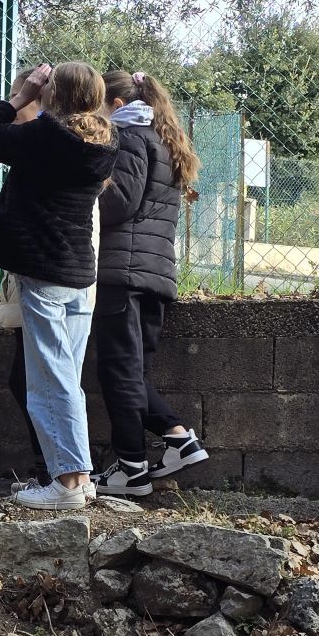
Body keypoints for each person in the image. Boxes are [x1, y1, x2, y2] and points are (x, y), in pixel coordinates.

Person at [0, 62, 118, 510]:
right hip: (79, 274)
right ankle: (78, 477)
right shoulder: (106, 139)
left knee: (49, 382)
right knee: (65, 378)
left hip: (45, 272)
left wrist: (20, 97)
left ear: (56, 94)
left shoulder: (46, 137)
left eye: (48, 87)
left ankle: (68, 482)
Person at [92, 71, 209, 497]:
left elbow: (119, 203)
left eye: (99, 105)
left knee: (118, 373)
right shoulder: (164, 140)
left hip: (122, 272)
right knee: (133, 373)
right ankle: (178, 440)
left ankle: (131, 467)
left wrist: (85, 187)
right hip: (154, 274)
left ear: (117, 105)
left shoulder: (129, 138)